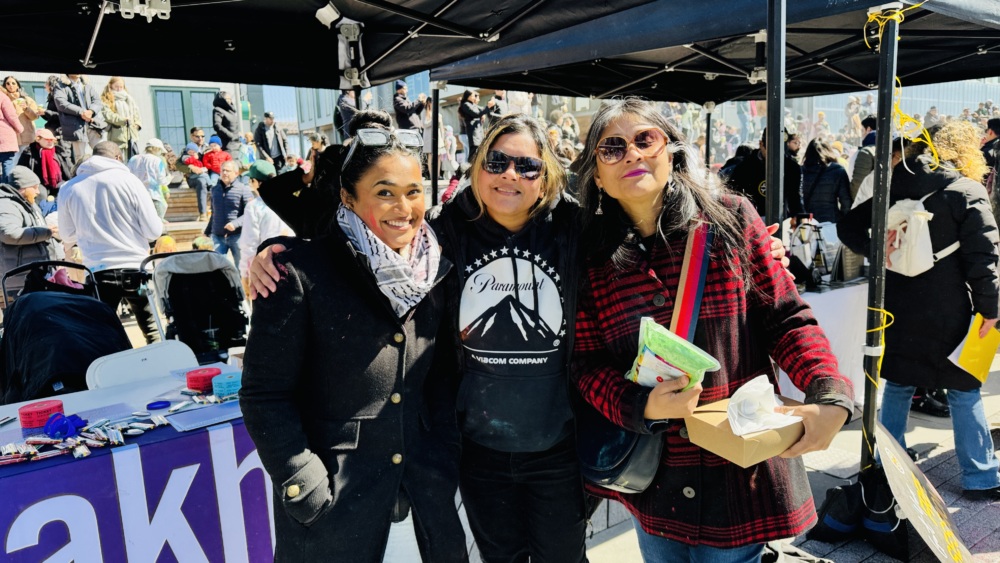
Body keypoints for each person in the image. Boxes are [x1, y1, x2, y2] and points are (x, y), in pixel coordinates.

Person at [573, 97, 853, 561]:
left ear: (671, 152)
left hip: (738, 467)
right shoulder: (591, 259)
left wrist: (828, 393)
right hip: (653, 479)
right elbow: (587, 365)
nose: (633, 154)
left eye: (646, 139)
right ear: (597, 175)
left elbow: (786, 318)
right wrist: (638, 404)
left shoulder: (730, 219)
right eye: (612, 148)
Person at [238, 110, 467, 563]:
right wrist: (302, 478)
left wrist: (445, 451)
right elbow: (264, 393)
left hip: (423, 496)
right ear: (347, 195)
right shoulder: (297, 272)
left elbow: (441, 379)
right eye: (385, 193)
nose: (403, 209)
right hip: (334, 505)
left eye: (413, 192)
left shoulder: (436, 267)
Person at [838, 120, 1000, 501]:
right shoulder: (966, 190)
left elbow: (848, 228)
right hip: (952, 308)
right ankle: (979, 476)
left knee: (897, 383)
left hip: (897, 304)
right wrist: (991, 311)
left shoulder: (892, 185)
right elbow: (985, 259)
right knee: (963, 388)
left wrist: (881, 252)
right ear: (965, 151)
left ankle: (885, 462)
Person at [58, 141, 163, 343]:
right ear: (117, 158)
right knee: (152, 329)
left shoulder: (69, 188)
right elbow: (154, 230)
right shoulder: (130, 181)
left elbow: (67, 235)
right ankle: (162, 369)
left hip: (98, 269)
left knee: (101, 334)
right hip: (135, 266)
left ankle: (113, 372)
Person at [0, 166, 61, 306]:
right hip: (19, 280)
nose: (38, 191)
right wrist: (46, 232)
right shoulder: (6, 204)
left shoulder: (27, 202)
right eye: (34, 187)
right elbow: (9, 233)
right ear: (23, 187)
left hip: (33, 276)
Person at [237, 161, 292, 297]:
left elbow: (249, 245)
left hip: (266, 268)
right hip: (294, 263)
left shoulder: (254, 206)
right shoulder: (289, 200)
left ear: (255, 182)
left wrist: (245, 274)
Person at [726, 128, 804, 220]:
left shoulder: (791, 168)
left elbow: (795, 197)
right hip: (751, 222)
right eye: (771, 149)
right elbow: (733, 195)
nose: (775, 155)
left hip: (781, 221)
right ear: (761, 144)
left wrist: (798, 217)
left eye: (779, 149)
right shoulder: (745, 167)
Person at [204, 160, 250, 265]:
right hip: (218, 236)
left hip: (237, 236)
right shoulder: (215, 189)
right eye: (223, 170)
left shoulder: (244, 189)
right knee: (219, 269)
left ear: (236, 173)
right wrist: (207, 232)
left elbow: (250, 214)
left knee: (241, 270)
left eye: (228, 171)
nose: (224, 173)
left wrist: (235, 223)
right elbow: (214, 213)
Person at [53, 74, 106, 163]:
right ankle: (82, 175)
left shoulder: (86, 84)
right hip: (76, 127)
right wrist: (81, 112)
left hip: (92, 124)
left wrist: (91, 111)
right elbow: (61, 103)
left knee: (103, 153)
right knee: (80, 158)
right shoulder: (60, 85)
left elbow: (97, 101)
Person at [801, 137, 851, 223]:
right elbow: (845, 201)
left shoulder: (801, 171)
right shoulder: (838, 171)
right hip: (830, 221)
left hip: (807, 223)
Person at [17, 129, 71, 195]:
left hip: (59, 183)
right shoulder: (29, 153)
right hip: (38, 184)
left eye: (51, 140)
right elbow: (21, 170)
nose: (50, 142)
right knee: (42, 194)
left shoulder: (59, 152)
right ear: (38, 139)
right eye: (47, 139)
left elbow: (69, 169)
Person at [127, 138, 171, 219]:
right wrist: (169, 178)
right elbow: (161, 180)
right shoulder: (157, 161)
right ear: (157, 149)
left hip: (137, 196)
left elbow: (127, 176)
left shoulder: (133, 159)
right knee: (157, 223)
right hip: (154, 196)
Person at [100, 77, 141, 160]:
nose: (119, 89)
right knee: (117, 159)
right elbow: (108, 115)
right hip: (116, 135)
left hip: (131, 135)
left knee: (132, 160)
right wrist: (122, 120)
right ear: (111, 86)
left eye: (121, 87)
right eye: (116, 86)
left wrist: (137, 124)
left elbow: (136, 112)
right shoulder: (107, 99)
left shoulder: (129, 98)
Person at [3, 77, 40, 168]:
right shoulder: (3, 100)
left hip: (25, 135)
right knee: (10, 162)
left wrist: (26, 109)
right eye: (8, 83)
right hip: (9, 137)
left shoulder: (27, 99)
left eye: (13, 83)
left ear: (18, 85)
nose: (11, 86)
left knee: (23, 162)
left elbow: (35, 116)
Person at [458, 90, 495, 161]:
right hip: (474, 132)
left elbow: (482, 110)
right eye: (473, 95)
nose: (474, 97)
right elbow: (476, 114)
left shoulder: (472, 105)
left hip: (478, 132)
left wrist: (489, 107)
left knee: (478, 151)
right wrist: (488, 107)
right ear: (468, 96)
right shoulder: (466, 105)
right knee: (474, 152)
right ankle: (469, 169)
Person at [0, 90, 24, 186]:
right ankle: (7, 190)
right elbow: (12, 116)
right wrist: (20, 129)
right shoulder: (2, 97)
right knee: (8, 163)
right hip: (4, 136)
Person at [212, 91, 241, 159]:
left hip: (236, 143)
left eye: (230, 98)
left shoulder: (231, 112)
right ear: (222, 100)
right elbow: (217, 125)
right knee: (230, 164)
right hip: (228, 144)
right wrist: (231, 135)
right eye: (227, 98)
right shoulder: (218, 110)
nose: (229, 100)